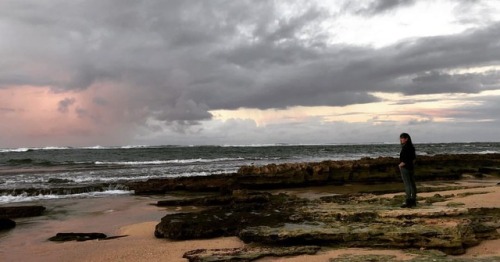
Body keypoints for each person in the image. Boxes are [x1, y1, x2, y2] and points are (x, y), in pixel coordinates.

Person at [399, 133, 417, 208]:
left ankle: (408, 201)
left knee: (408, 184)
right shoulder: (411, 147)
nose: (401, 139)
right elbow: (413, 158)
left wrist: (401, 164)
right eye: (400, 138)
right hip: (411, 167)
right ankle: (413, 200)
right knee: (412, 184)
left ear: (406, 139)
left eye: (402, 138)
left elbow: (406, 158)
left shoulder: (405, 147)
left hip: (405, 167)